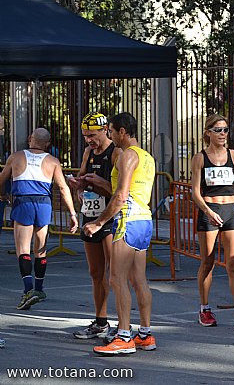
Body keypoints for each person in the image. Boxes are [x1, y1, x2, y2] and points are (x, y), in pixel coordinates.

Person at [85, 113, 157, 355]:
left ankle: (124, 336)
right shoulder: (147, 156)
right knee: (139, 281)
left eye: (113, 131)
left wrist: (98, 222)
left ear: (123, 132)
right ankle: (145, 335)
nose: (112, 135)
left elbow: (120, 194)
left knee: (117, 279)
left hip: (128, 219)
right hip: (144, 219)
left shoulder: (127, 155)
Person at [189, 114, 234, 332]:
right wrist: (208, 211)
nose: (222, 134)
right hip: (210, 210)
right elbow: (195, 192)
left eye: (225, 130)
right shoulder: (200, 158)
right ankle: (204, 308)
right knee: (208, 262)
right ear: (208, 132)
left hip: (231, 211)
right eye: (218, 130)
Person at [0, 128, 78, 310]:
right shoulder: (53, 161)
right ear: (48, 144)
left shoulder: (16, 157)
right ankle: (39, 289)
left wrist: (3, 195)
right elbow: (64, 188)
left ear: (30, 139)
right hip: (43, 204)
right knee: (40, 250)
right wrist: (73, 214)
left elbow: (2, 179)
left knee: (23, 249)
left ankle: (28, 290)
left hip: (23, 202)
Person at [68, 113, 121, 339]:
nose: (89, 140)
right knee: (95, 272)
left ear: (105, 130)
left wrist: (101, 183)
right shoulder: (89, 152)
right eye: (85, 136)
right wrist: (78, 187)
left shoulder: (116, 153)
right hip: (90, 215)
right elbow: (82, 178)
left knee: (114, 274)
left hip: (109, 217)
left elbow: (121, 192)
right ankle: (100, 321)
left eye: (93, 135)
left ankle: (123, 325)